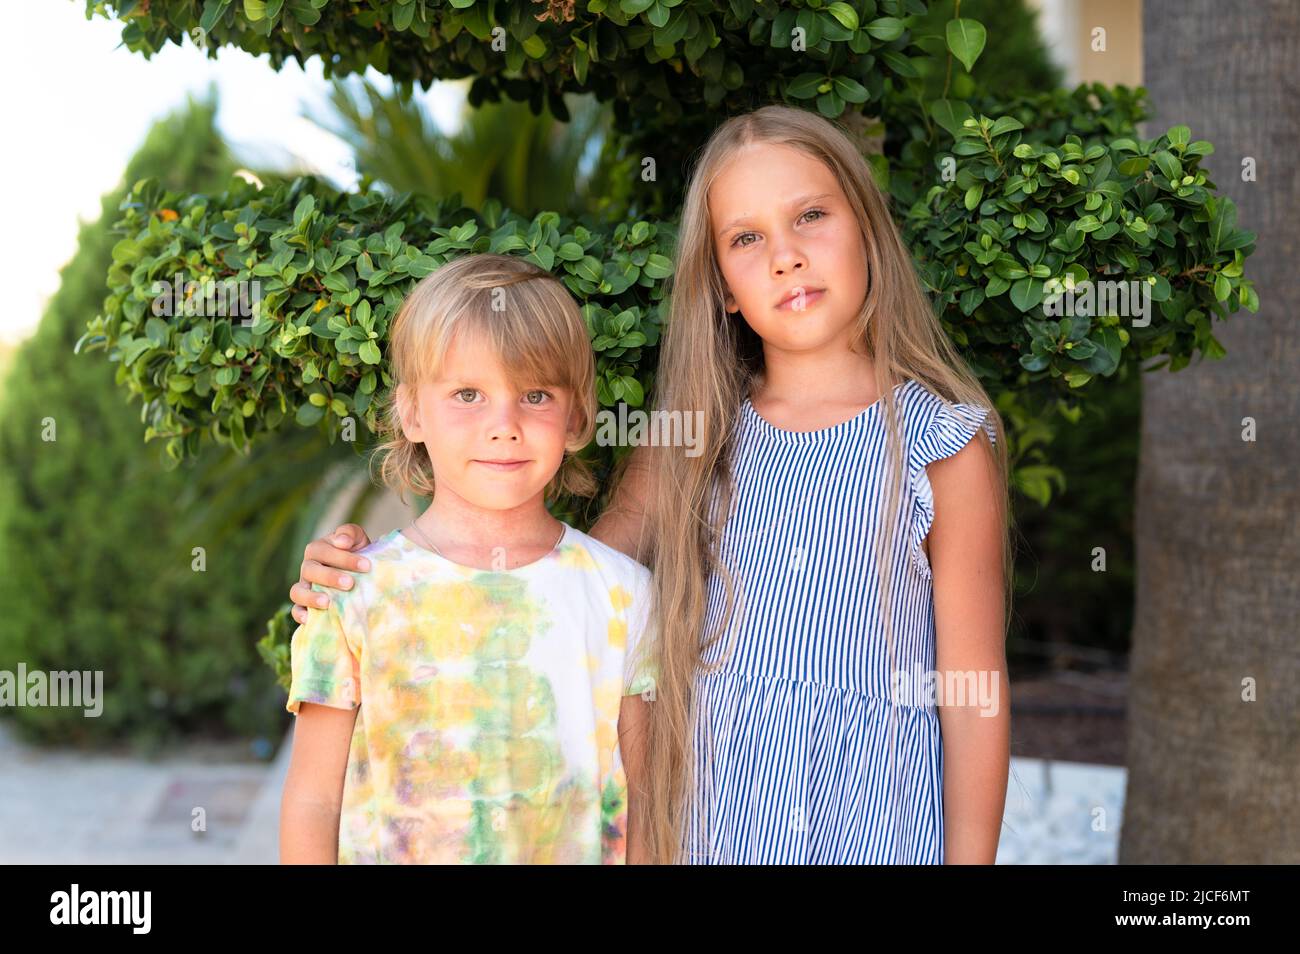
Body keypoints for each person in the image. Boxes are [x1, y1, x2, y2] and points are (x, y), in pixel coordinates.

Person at [292, 104, 1012, 864]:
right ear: (724, 286)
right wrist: (353, 579)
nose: (787, 257)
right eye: (747, 239)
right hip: (705, 820)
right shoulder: (692, 435)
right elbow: (558, 590)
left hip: (875, 823)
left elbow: (972, 697)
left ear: (867, 227)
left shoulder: (942, 446)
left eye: (811, 217)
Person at [279, 253, 657, 864]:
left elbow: (645, 800)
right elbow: (312, 801)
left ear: (576, 416)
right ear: (412, 412)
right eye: (467, 394)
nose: (503, 425)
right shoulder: (352, 592)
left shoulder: (624, 595)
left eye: (535, 394)